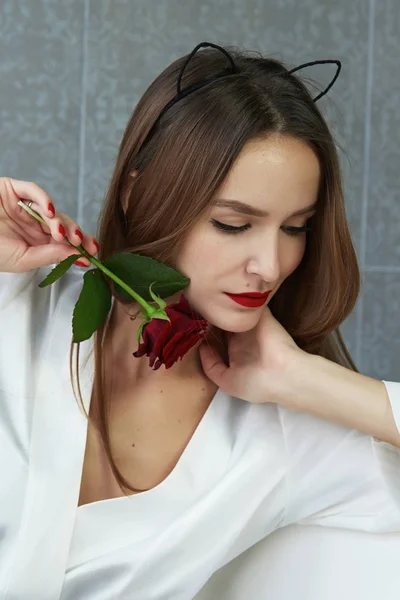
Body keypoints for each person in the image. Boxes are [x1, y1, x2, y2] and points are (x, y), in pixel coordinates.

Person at [0, 42, 399, 600]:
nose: (270, 266)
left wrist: (305, 379)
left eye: (296, 228)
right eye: (235, 224)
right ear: (139, 193)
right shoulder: (19, 307)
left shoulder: (286, 433)